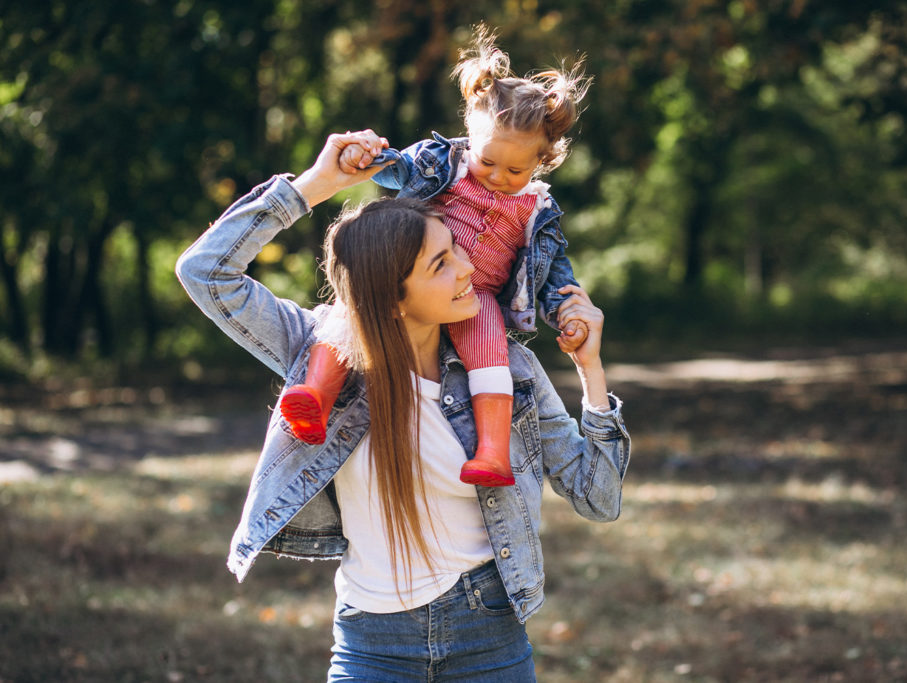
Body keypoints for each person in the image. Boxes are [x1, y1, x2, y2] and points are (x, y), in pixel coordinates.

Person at [175, 132, 630, 681]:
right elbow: (205, 272)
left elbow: (598, 497)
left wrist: (591, 371)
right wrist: (317, 184)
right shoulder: (319, 349)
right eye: (442, 263)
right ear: (392, 294)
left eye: (458, 249)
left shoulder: (506, 372)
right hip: (371, 646)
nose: (469, 270)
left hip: (488, 638)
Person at [279, 27, 591, 490]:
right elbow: (398, 170)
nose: (498, 176)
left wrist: (565, 311)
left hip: (476, 295)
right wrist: (371, 158)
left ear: (543, 161)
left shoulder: (539, 210)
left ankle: (491, 452)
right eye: (488, 162)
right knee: (357, 308)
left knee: (492, 353)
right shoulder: (442, 162)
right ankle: (316, 394)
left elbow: (555, 275)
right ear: (470, 133)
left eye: (516, 169)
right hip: (420, 269)